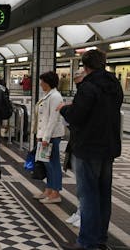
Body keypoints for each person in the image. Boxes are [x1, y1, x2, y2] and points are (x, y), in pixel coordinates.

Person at [58, 50, 123, 250]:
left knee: (88, 196)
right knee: (103, 195)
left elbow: (77, 117)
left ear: (85, 68)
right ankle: (100, 238)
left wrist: (64, 109)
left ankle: (87, 241)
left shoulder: (88, 87)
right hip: (109, 148)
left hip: (88, 147)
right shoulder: (115, 85)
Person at [31, 71, 65, 204]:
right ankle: (49, 189)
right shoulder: (48, 95)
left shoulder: (55, 96)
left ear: (48, 82)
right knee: (47, 164)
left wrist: (45, 138)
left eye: (42, 81)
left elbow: (52, 119)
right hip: (45, 136)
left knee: (53, 165)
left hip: (51, 137)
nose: (40, 84)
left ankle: (55, 193)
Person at [63, 68, 86, 229]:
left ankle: (85, 215)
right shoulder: (84, 93)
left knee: (86, 184)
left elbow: (76, 118)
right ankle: (81, 212)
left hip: (85, 145)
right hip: (79, 143)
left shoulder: (88, 93)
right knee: (81, 183)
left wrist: (65, 110)